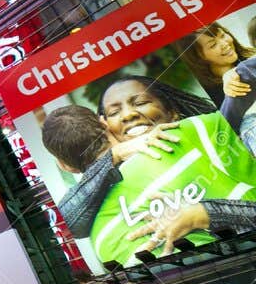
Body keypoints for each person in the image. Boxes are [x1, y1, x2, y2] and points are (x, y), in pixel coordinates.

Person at [86, 77, 256, 266]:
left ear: (172, 112)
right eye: (114, 112)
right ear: (107, 128)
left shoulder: (216, 135)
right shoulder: (109, 200)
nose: (127, 115)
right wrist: (114, 154)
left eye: (141, 102)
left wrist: (203, 213)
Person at [182, 24, 256, 154]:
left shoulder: (250, 63)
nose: (224, 43)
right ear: (198, 57)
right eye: (212, 45)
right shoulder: (205, 95)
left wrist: (235, 72)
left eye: (223, 35)